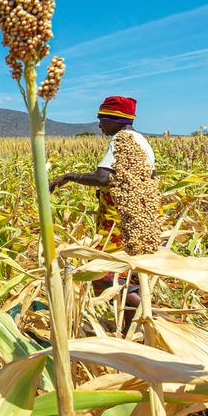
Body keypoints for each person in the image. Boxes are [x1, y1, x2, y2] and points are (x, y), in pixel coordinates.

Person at [48, 96, 155, 334]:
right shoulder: (141, 140)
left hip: (120, 221)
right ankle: (130, 329)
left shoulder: (122, 139)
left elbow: (103, 177)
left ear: (117, 119)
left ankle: (149, 315)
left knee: (104, 275)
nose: (99, 125)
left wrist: (68, 176)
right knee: (130, 275)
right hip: (138, 214)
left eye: (102, 119)